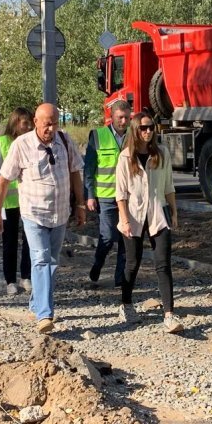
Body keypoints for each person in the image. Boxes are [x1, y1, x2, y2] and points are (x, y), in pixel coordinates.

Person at [0, 103, 86, 334]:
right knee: (41, 260)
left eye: (54, 123)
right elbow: (3, 180)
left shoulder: (64, 141)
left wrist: (80, 204)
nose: (51, 129)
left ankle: (36, 302)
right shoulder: (21, 145)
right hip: (34, 214)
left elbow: (75, 171)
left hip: (60, 213)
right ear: (36, 121)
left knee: (52, 261)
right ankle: (45, 314)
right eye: (46, 124)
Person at [115, 113, 183, 333]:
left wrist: (173, 211)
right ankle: (126, 304)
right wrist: (124, 219)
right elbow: (121, 194)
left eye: (151, 127)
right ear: (135, 130)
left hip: (157, 214)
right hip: (133, 216)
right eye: (143, 128)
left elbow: (169, 186)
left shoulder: (161, 153)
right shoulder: (126, 157)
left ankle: (169, 315)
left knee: (163, 264)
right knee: (132, 263)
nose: (148, 131)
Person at [84, 100, 129, 288]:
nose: (124, 121)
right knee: (108, 237)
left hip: (128, 197)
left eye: (127, 117)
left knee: (127, 239)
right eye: (120, 117)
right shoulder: (98, 135)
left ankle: (121, 278)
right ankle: (98, 264)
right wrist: (90, 194)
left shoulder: (134, 136)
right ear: (112, 117)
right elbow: (89, 168)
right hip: (106, 196)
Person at [0, 107, 34, 295]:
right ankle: (10, 280)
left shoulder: (33, 142)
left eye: (30, 123)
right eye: (25, 123)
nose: (28, 126)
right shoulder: (2, 142)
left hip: (29, 200)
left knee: (29, 240)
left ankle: (26, 276)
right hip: (8, 203)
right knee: (9, 242)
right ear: (15, 123)